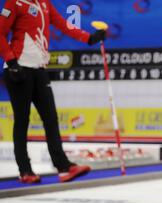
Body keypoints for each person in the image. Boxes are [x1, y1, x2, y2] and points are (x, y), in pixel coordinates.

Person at [0, 0, 106, 183]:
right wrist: (11, 61)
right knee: (22, 120)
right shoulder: (15, 2)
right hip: (18, 69)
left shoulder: (44, 3)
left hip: (39, 69)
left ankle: (64, 167)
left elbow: (64, 25)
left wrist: (89, 38)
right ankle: (25, 171)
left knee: (50, 118)